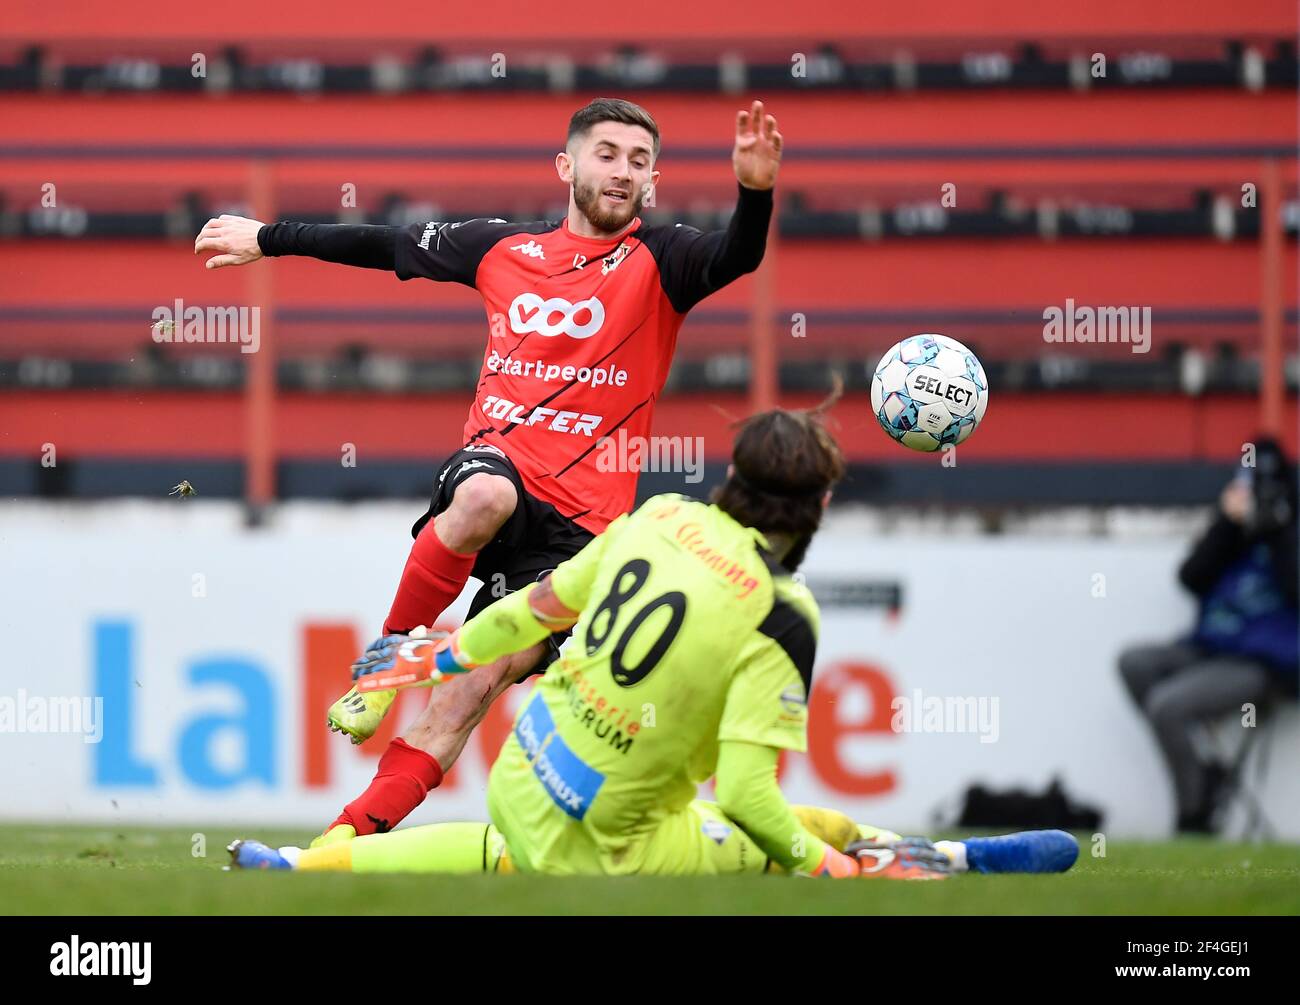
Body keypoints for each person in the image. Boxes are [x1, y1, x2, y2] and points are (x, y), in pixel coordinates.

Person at [194, 97, 784, 841]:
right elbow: (387, 244)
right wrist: (269, 238)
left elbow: (739, 254)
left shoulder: (663, 261)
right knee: (484, 493)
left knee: (468, 690)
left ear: (653, 180)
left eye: (638, 161)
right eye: (606, 154)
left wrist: (755, 191)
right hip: (500, 460)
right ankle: (385, 663)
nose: (621, 171)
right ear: (567, 166)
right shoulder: (501, 248)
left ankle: (338, 845)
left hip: (581, 533)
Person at [230, 401, 1079, 879]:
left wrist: (439, 655)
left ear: (731, 479)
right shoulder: (785, 613)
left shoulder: (660, 518)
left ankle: (305, 869)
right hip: (610, 839)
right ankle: (951, 865)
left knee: (513, 850)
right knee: (804, 829)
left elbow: (531, 609)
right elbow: (748, 794)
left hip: (524, 775)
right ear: (820, 507)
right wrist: (830, 871)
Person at [1119, 437, 1299, 834]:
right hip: (1209, 649)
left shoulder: (1291, 531)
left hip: (1263, 662)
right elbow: (1190, 578)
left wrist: (1280, 530)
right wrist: (1227, 525)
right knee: (1134, 663)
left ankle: (1193, 816)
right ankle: (1201, 773)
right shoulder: (1231, 531)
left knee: (1167, 707)